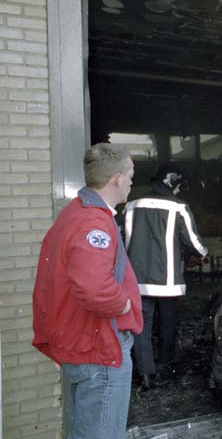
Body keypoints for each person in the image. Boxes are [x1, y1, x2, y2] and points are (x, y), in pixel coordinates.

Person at [32, 143, 143, 439]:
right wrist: (123, 306)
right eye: (130, 174)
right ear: (117, 178)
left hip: (84, 344)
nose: (132, 180)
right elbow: (95, 289)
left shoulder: (76, 213)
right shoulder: (93, 223)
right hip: (101, 350)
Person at [124, 162, 207, 389]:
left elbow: (123, 240)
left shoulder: (132, 206)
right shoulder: (178, 207)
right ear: (172, 183)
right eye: (179, 186)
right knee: (169, 319)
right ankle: (167, 364)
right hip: (168, 279)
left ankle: (146, 374)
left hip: (138, 278)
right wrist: (203, 252)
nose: (179, 191)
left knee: (142, 325)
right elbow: (194, 244)